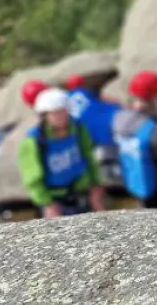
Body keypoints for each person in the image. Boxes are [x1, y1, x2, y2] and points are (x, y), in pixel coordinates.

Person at [17, 87, 107, 218]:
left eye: (63, 111)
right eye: (54, 113)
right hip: (54, 199)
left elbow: (89, 157)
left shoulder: (78, 129)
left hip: (81, 191)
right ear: (44, 115)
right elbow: (32, 179)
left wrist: (96, 185)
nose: (60, 117)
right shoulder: (33, 141)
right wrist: (47, 204)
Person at [111, 70, 157, 209]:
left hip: (127, 183)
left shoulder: (118, 119)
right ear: (156, 97)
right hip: (154, 193)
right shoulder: (156, 130)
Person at [64, 73, 122, 186]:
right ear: (82, 84)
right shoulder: (86, 92)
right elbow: (108, 98)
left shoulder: (65, 98)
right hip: (110, 119)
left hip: (90, 134)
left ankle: (109, 170)